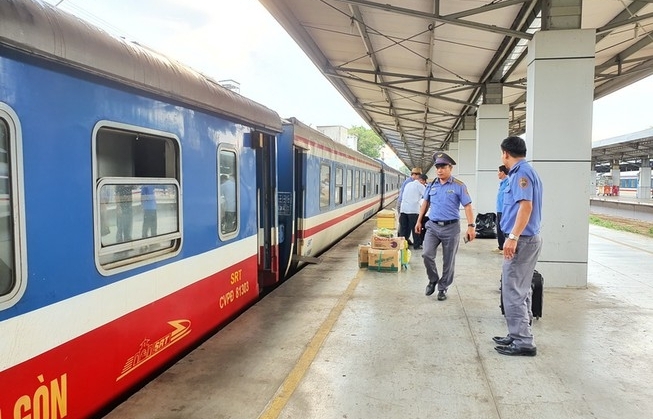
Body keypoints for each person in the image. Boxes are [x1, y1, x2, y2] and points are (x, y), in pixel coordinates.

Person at [493, 136, 543, 357]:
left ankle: (523, 341)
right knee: (520, 289)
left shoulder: (521, 174)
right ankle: (517, 334)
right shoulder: (524, 171)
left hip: (521, 240)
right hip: (525, 239)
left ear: (505, 153)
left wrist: (512, 237)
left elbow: (526, 207)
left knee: (512, 289)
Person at [415, 152, 476, 301]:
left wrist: (471, 226)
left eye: (443, 167)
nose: (439, 170)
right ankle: (433, 279)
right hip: (433, 227)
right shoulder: (431, 185)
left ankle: (443, 288)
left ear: (450, 168)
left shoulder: (459, 186)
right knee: (427, 254)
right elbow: (425, 203)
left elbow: (467, 206)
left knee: (448, 261)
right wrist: (419, 220)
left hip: (451, 228)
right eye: (438, 167)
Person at [399, 173, 427, 250]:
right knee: (415, 228)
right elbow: (426, 196)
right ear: (422, 181)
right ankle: (417, 245)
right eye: (425, 182)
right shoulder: (420, 185)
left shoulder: (408, 184)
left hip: (403, 210)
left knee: (404, 229)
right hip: (413, 210)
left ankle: (402, 245)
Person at [397, 167, 422, 245]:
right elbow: (425, 195)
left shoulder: (408, 181)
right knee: (411, 226)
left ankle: (403, 242)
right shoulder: (414, 183)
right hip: (409, 207)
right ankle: (415, 244)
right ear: (417, 175)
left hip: (403, 206)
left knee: (404, 226)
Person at [494, 165, 509, 253]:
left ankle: (506, 247)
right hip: (499, 210)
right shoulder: (502, 183)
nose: (498, 174)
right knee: (499, 228)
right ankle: (501, 246)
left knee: (505, 229)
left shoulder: (508, 182)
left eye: (499, 172)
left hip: (505, 210)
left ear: (503, 172)